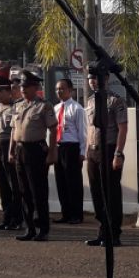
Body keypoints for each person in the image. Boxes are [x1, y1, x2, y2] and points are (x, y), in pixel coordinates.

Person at [10, 70, 57, 241]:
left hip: (36, 151)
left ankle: (43, 229)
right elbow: (14, 130)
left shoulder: (44, 106)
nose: (23, 89)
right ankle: (29, 228)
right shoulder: (17, 105)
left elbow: (53, 130)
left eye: (27, 86)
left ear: (36, 87)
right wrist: (11, 150)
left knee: (38, 191)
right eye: (22, 86)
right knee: (24, 191)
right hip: (20, 150)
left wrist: (52, 152)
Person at [85, 71, 127, 247]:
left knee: (111, 194)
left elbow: (122, 129)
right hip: (93, 151)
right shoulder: (90, 101)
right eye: (91, 78)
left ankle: (114, 233)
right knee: (96, 194)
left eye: (97, 77)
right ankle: (102, 231)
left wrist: (118, 153)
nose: (93, 81)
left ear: (106, 79)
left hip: (109, 150)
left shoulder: (116, 100)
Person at [0, 75, 22, 231]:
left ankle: (17, 219)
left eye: (0, 91)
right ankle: (6, 218)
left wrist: (13, 151)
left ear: (9, 92)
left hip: (10, 148)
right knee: (3, 186)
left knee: (14, 186)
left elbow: (17, 132)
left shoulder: (17, 107)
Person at [53, 78, 87, 225]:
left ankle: (76, 214)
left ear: (70, 90)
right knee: (61, 182)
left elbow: (83, 132)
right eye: (57, 89)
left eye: (62, 88)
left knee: (73, 183)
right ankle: (65, 213)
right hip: (59, 147)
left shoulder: (77, 108)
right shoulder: (55, 108)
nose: (59, 91)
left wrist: (82, 152)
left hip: (72, 147)